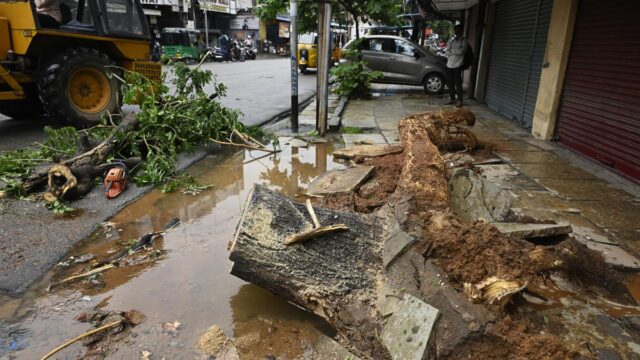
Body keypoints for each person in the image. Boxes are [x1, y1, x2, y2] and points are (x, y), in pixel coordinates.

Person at [445, 24, 467, 107]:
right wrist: (454, 51)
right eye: (455, 30)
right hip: (449, 64)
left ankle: (460, 100)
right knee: (450, 83)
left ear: (461, 31)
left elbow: (462, 51)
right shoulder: (452, 41)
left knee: (458, 83)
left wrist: (452, 51)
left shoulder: (464, 40)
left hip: (458, 65)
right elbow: (446, 52)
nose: (456, 32)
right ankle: (452, 99)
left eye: (457, 30)